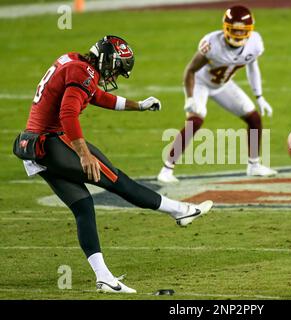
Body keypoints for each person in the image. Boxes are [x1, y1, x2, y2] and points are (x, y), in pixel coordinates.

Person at [13, 35, 213, 294]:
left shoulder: (75, 62)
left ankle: (104, 277)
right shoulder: (82, 70)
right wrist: (83, 153)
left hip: (37, 147)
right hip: (53, 142)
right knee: (118, 181)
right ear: (108, 60)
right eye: (117, 67)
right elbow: (68, 113)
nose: (116, 74)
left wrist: (138, 106)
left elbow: (96, 96)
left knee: (84, 208)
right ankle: (180, 210)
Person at [157, 5, 277, 183]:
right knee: (196, 120)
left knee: (254, 118)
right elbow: (190, 70)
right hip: (200, 83)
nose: (237, 34)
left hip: (223, 84)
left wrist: (259, 96)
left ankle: (254, 165)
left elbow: (253, 66)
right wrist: (190, 98)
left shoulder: (255, 43)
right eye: (234, 30)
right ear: (226, 28)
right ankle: (166, 170)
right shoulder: (212, 44)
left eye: (241, 30)